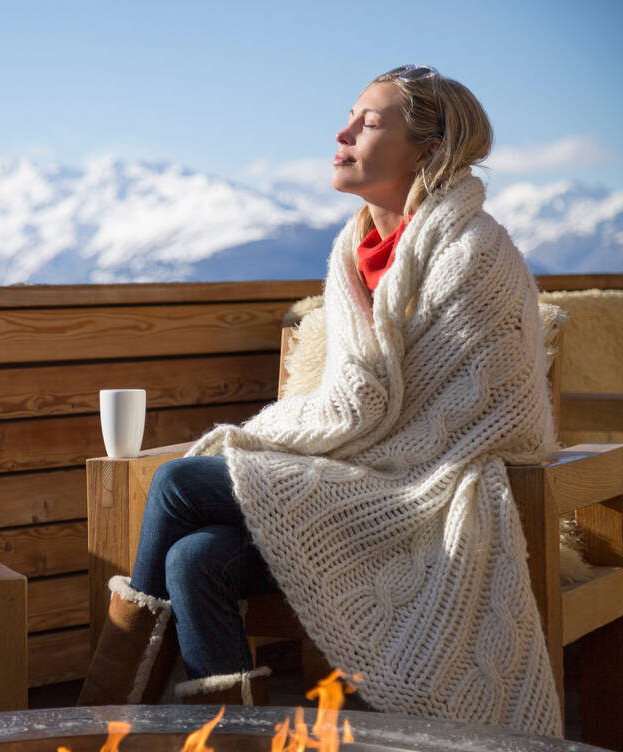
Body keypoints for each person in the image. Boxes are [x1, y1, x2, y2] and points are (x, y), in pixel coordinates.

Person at [77, 65, 563, 738]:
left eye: (368, 122)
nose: (341, 132)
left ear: (428, 148)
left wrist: (292, 441)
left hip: (414, 488)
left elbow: (452, 414)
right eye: (348, 117)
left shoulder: (477, 251)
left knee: (180, 483)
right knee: (193, 561)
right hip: (350, 480)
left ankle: (107, 716)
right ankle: (226, 737)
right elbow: (353, 401)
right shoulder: (353, 250)